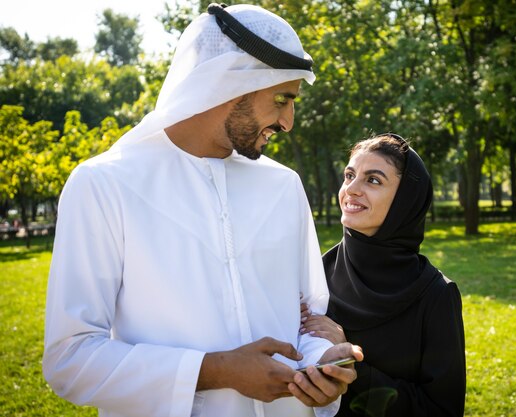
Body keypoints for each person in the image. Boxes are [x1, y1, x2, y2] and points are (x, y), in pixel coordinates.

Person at [42, 4, 363, 417]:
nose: (289, 122)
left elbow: (305, 322)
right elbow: (71, 358)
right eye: (282, 99)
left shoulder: (283, 186)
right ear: (228, 83)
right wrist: (215, 371)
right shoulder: (105, 185)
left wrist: (321, 362)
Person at [300, 134, 466, 416]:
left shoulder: (436, 295)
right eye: (349, 175)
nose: (351, 189)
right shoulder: (316, 273)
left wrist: (348, 363)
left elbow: (441, 410)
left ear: (406, 201)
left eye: (373, 180)